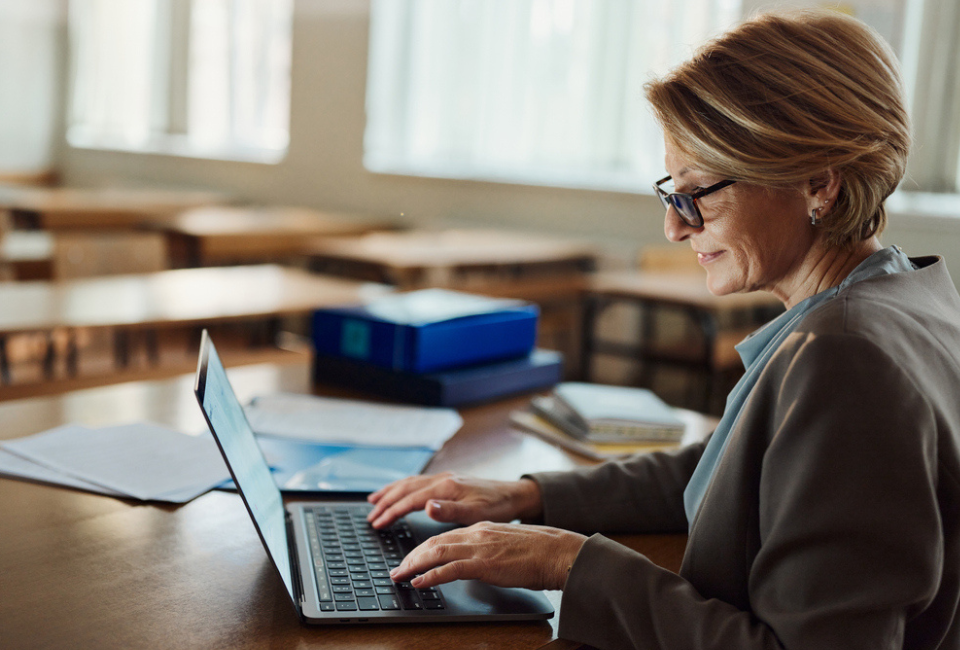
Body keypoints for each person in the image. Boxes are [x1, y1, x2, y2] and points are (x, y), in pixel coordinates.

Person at [366, 10, 960, 649]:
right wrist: (527, 497)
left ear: (818, 181)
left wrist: (568, 564)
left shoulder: (843, 355)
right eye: (671, 194)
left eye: (698, 193)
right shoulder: (908, 295)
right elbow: (735, 469)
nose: (676, 227)